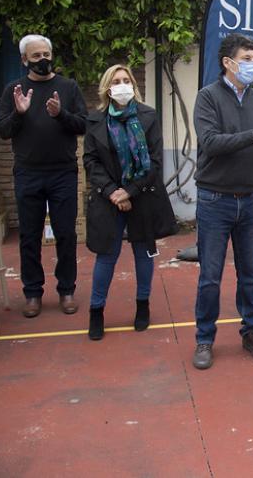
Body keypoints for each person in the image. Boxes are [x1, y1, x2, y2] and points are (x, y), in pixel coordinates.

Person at [191, 34, 253, 370]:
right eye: (247, 59)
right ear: (228, 63)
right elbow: (210, 143)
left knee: (249, 274)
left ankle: (252, 332)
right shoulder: (207, 97)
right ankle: (204, 339)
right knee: (210, 276)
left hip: (250, 200)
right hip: (214, 199)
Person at [83, 65, 177, 340]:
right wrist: (114, 192)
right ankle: (96, 311)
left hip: (142, 195)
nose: (122, 85)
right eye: (116, 81)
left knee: (143, 253)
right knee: (106, 255)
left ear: (133, 85)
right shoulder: (95, 120)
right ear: (107, 88)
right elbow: (91, 160)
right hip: (108, 197)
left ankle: (142, 305)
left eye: (126, 80)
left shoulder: (148, 116)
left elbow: (155, 161)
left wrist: (130, 191)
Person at [0, 34, 87, 318]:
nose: (43, 60)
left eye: (46, 54)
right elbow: (3, 131)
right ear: (25, 60)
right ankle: (33, 293)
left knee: (66, 234)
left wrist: (61, 114)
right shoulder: (14, 90)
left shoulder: (68, 87)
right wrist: (19, 113)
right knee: (29, 236)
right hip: (28, 173)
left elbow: (83, 124)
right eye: (36, 56)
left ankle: (67, 290)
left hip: (63, 173)